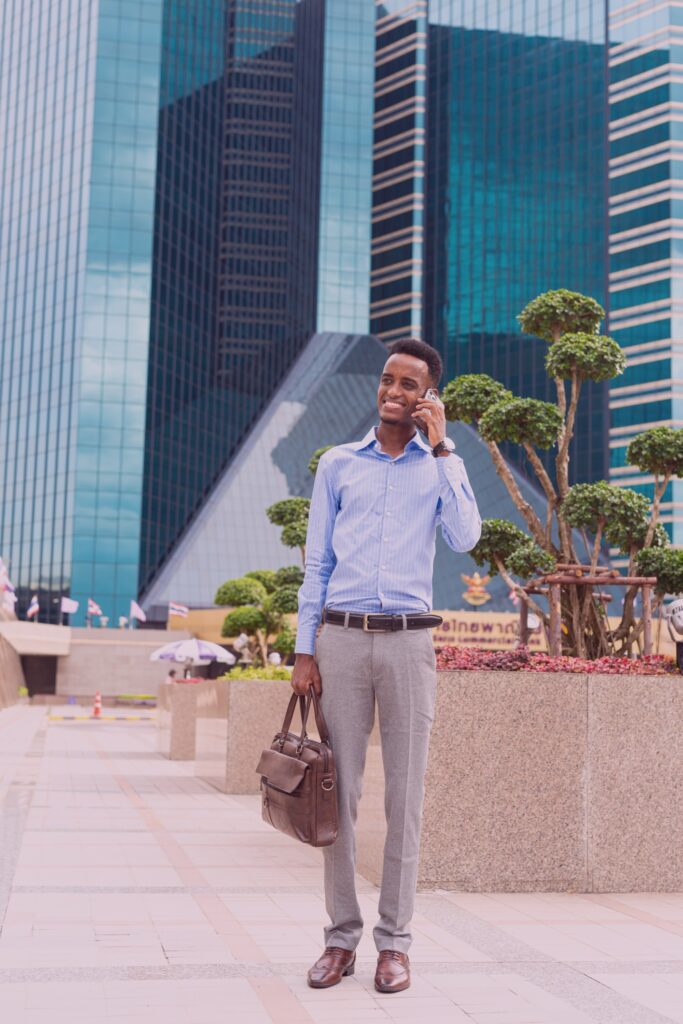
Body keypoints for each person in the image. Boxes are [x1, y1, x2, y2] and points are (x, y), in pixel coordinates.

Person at [291, 338, 481, 994]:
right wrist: (302, 650)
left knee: (406, 799)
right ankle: (339, 939)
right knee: (336, 798)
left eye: (410, 385)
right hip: (340, 641)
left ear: (429, 396)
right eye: (388, 380)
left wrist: (445, 448)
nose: (394, 392)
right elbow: (315, 566)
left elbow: (465, 538)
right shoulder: (338, 465)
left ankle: (394, 944)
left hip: (408, 644)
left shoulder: (438, 467)